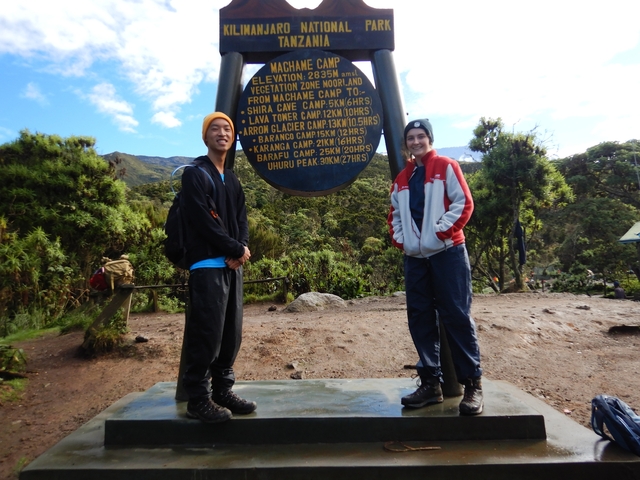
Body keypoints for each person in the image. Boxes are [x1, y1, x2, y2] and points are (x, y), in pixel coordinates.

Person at [388, 119, 484, 415]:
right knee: (420, 317)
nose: (416, 142)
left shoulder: (446, 165)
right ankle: (431, 383)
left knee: (456, 315)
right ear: (407, 144)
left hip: (448, 252)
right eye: (411, 138)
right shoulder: (403, 177)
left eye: (421, 136)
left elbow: (463, 203)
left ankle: (473, 385)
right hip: (415, 258)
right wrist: (405, 242)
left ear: (429, 139)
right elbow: (395, 215)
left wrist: (439, 233)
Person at [180, 112, 256, 423]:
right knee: (207, 334)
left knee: (230, 335)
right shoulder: (195, 174)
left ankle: (223, 390)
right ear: (205, 137)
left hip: (232, 266)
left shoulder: (233, 178)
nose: (222, 133)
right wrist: (235, 248)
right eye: (215, 129)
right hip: (207, 265)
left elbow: (241, 219)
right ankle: (198, 398)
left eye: (227, 129)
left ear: (233, 136)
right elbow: (201, 220)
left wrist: (241, 250)